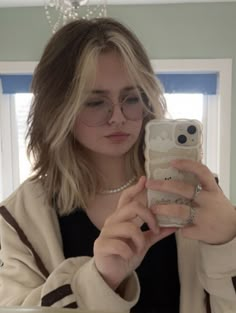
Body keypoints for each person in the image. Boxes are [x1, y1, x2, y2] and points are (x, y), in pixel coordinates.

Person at [0, 17, 235, 313]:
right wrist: (99, 280)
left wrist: (228, 243)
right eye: (95, 102)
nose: (118, 117)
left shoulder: (197, 194)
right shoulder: (22, 215)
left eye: (132, 98)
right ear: (60, 110)